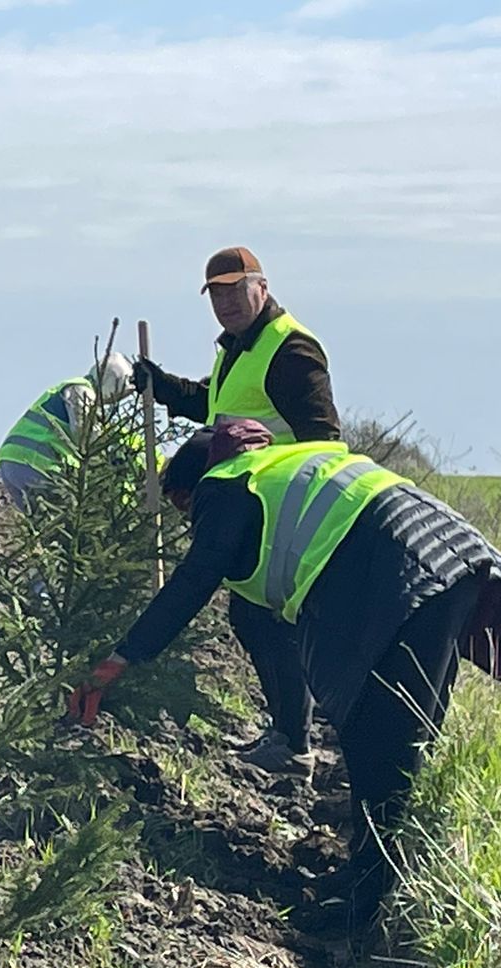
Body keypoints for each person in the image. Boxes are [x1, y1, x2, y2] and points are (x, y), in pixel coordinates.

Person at [68, 421, 501, 930]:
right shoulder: (287, 466)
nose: (188, 520)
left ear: (195, 483)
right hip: (451, 553)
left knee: (378, 738)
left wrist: (121, 658)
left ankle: (365, 914)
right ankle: (376, 888)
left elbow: (196, 577)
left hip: (392, 566)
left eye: (183, 506)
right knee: (406, 739)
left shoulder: (227, 482)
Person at [132, 247, 340, 778]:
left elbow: (324, 439)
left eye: (234, 289)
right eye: (216, 294)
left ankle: (296, 743)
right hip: (252, 510)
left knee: (264, 619)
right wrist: (165, 388)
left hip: (285, 513)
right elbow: (217, 406)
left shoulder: (291, 349)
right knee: (253, 616)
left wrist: (272, 468)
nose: (225, 302)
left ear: (261, 288)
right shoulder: (236, 349)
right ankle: (289, 735)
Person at [0, 352, 137, 510]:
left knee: (44, 524)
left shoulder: (71, 388)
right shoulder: (81, 389)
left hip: (11, 462)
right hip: (38, 463)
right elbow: (84, 435)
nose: (115, 400)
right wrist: (107, 462)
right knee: (67, 516)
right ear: (112, 382)